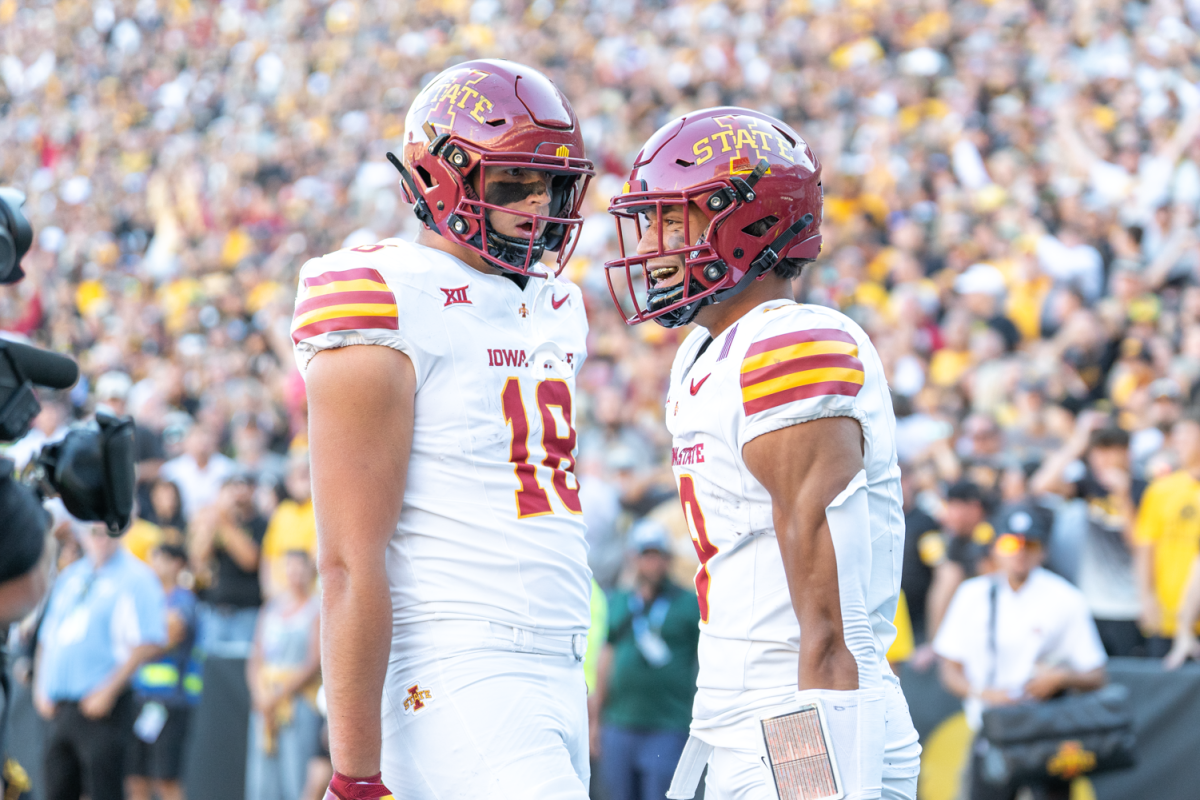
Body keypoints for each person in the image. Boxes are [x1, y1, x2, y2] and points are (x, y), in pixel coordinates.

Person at [296, 60, 596, 800]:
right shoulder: (388, 295)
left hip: (558, 662)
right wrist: (354, 773)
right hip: (455, 657)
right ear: (443, 179)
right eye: (512, 184)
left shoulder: (556, 305)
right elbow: (346, 560)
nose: (537, 205)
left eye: (549, 184)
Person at [604, 107, 920, 799]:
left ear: (745, 222)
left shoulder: (791, 347)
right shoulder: (703, 352)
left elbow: (829, 627)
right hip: (740, 711)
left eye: (672, 219)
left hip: (802, 712)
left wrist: (814, 774)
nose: (652, 243)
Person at [934, 503, 1107, 800]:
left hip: (1046, 728)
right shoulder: (972, 595)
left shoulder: (1065, 598)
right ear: (995, 549)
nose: (1020, 551)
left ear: (1043, 550)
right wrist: (985, 693)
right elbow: (949, 669)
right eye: (1010, 542)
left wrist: (1059, 678)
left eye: (1030, 543)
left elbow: (1096, 673)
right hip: (993, 729)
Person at [34, 523, 167, 800]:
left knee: (104, 788)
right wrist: (40, 686)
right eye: (94, 531)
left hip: (103, 706)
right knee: (57, 786)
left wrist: (109, 689)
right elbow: (47, 636)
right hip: (61, 704)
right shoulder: (72, 576)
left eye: (109, 532)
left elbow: (150, 639)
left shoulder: (136, 577)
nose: (102, 539)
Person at [591, 519, 700, 800]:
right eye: (645, 555)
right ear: (633, 558)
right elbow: (607, 655)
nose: (652, 563)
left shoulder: (687, 603)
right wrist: (595, 719)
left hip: (668, 724)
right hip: (620, 724)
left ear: (668, 559)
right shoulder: (620, 600)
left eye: (657, 555)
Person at [1030, 419, 1146, 656]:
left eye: (1109, 451)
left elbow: (1139, 545)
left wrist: (1122, 497)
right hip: (1092, 603)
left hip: (1132, 604)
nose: (1102, 459)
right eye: (1097, 452)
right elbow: (1041, 485)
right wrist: (1077, 442)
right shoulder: (1089, 486)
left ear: (1126, 453)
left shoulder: (1144, 489)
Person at [245, 550, 322, 800]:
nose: (295, 573)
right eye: (290, 567)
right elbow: (255, 656)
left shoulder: (316, 608)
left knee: (296, 777)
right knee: (262, 778)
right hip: (267, 700)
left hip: (297, 701)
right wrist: (260, 694)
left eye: (301, 567)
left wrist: (279, 695)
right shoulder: (271, 608)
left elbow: (314, 660)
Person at [127, 544, 199, 800]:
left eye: (163, 558)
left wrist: (141, 642)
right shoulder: (146, 598)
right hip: (140, 698)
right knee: (136, 776)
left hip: (173, 701)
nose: (155, 563)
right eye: (153, 557)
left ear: (177, 564)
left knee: (166, 779)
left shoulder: (184, 599)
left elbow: (169, 634)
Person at [1134, 411, 1200, 657]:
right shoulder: (1161, 489)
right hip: (1166, 616)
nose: (1178, 443)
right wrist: (1145, 597)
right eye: (1177, 437)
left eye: (1187, 436)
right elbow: (1145, 547)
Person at [190, 473, 267, 659]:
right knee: (211, 674)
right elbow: (198, 562)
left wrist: (225, 521)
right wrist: (209, 525)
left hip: (246, 613)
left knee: (239, 674)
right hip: (213, 612)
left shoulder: (258, 523)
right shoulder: (213, 523)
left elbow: (250, 561)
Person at [260, 456, 316, 599]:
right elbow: (268, 556)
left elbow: (317, 557)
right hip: (280, 595)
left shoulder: (320, 511)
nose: (301, 481)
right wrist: (268, 591)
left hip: (310, 595)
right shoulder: (282, 512)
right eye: (296, 476)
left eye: (305, 475)